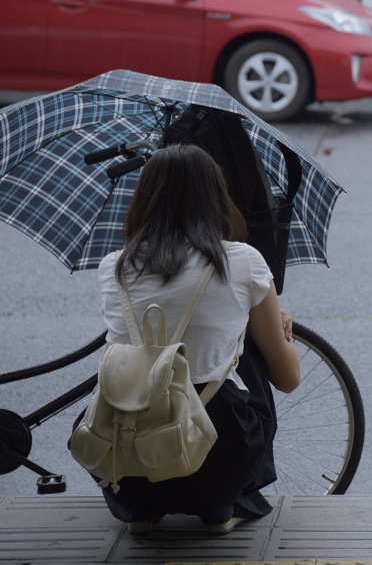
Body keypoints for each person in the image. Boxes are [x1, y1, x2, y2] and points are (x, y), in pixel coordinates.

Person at [73, 143, 301, 537]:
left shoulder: (114, 266)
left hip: (125, 454)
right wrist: (277, 330)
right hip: (217, 454)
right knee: (249, 352)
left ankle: (139, 510)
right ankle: (220, 506)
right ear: (216, 198)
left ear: (144, 198)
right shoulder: (243, 260)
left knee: (134, 364)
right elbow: (288, 379)